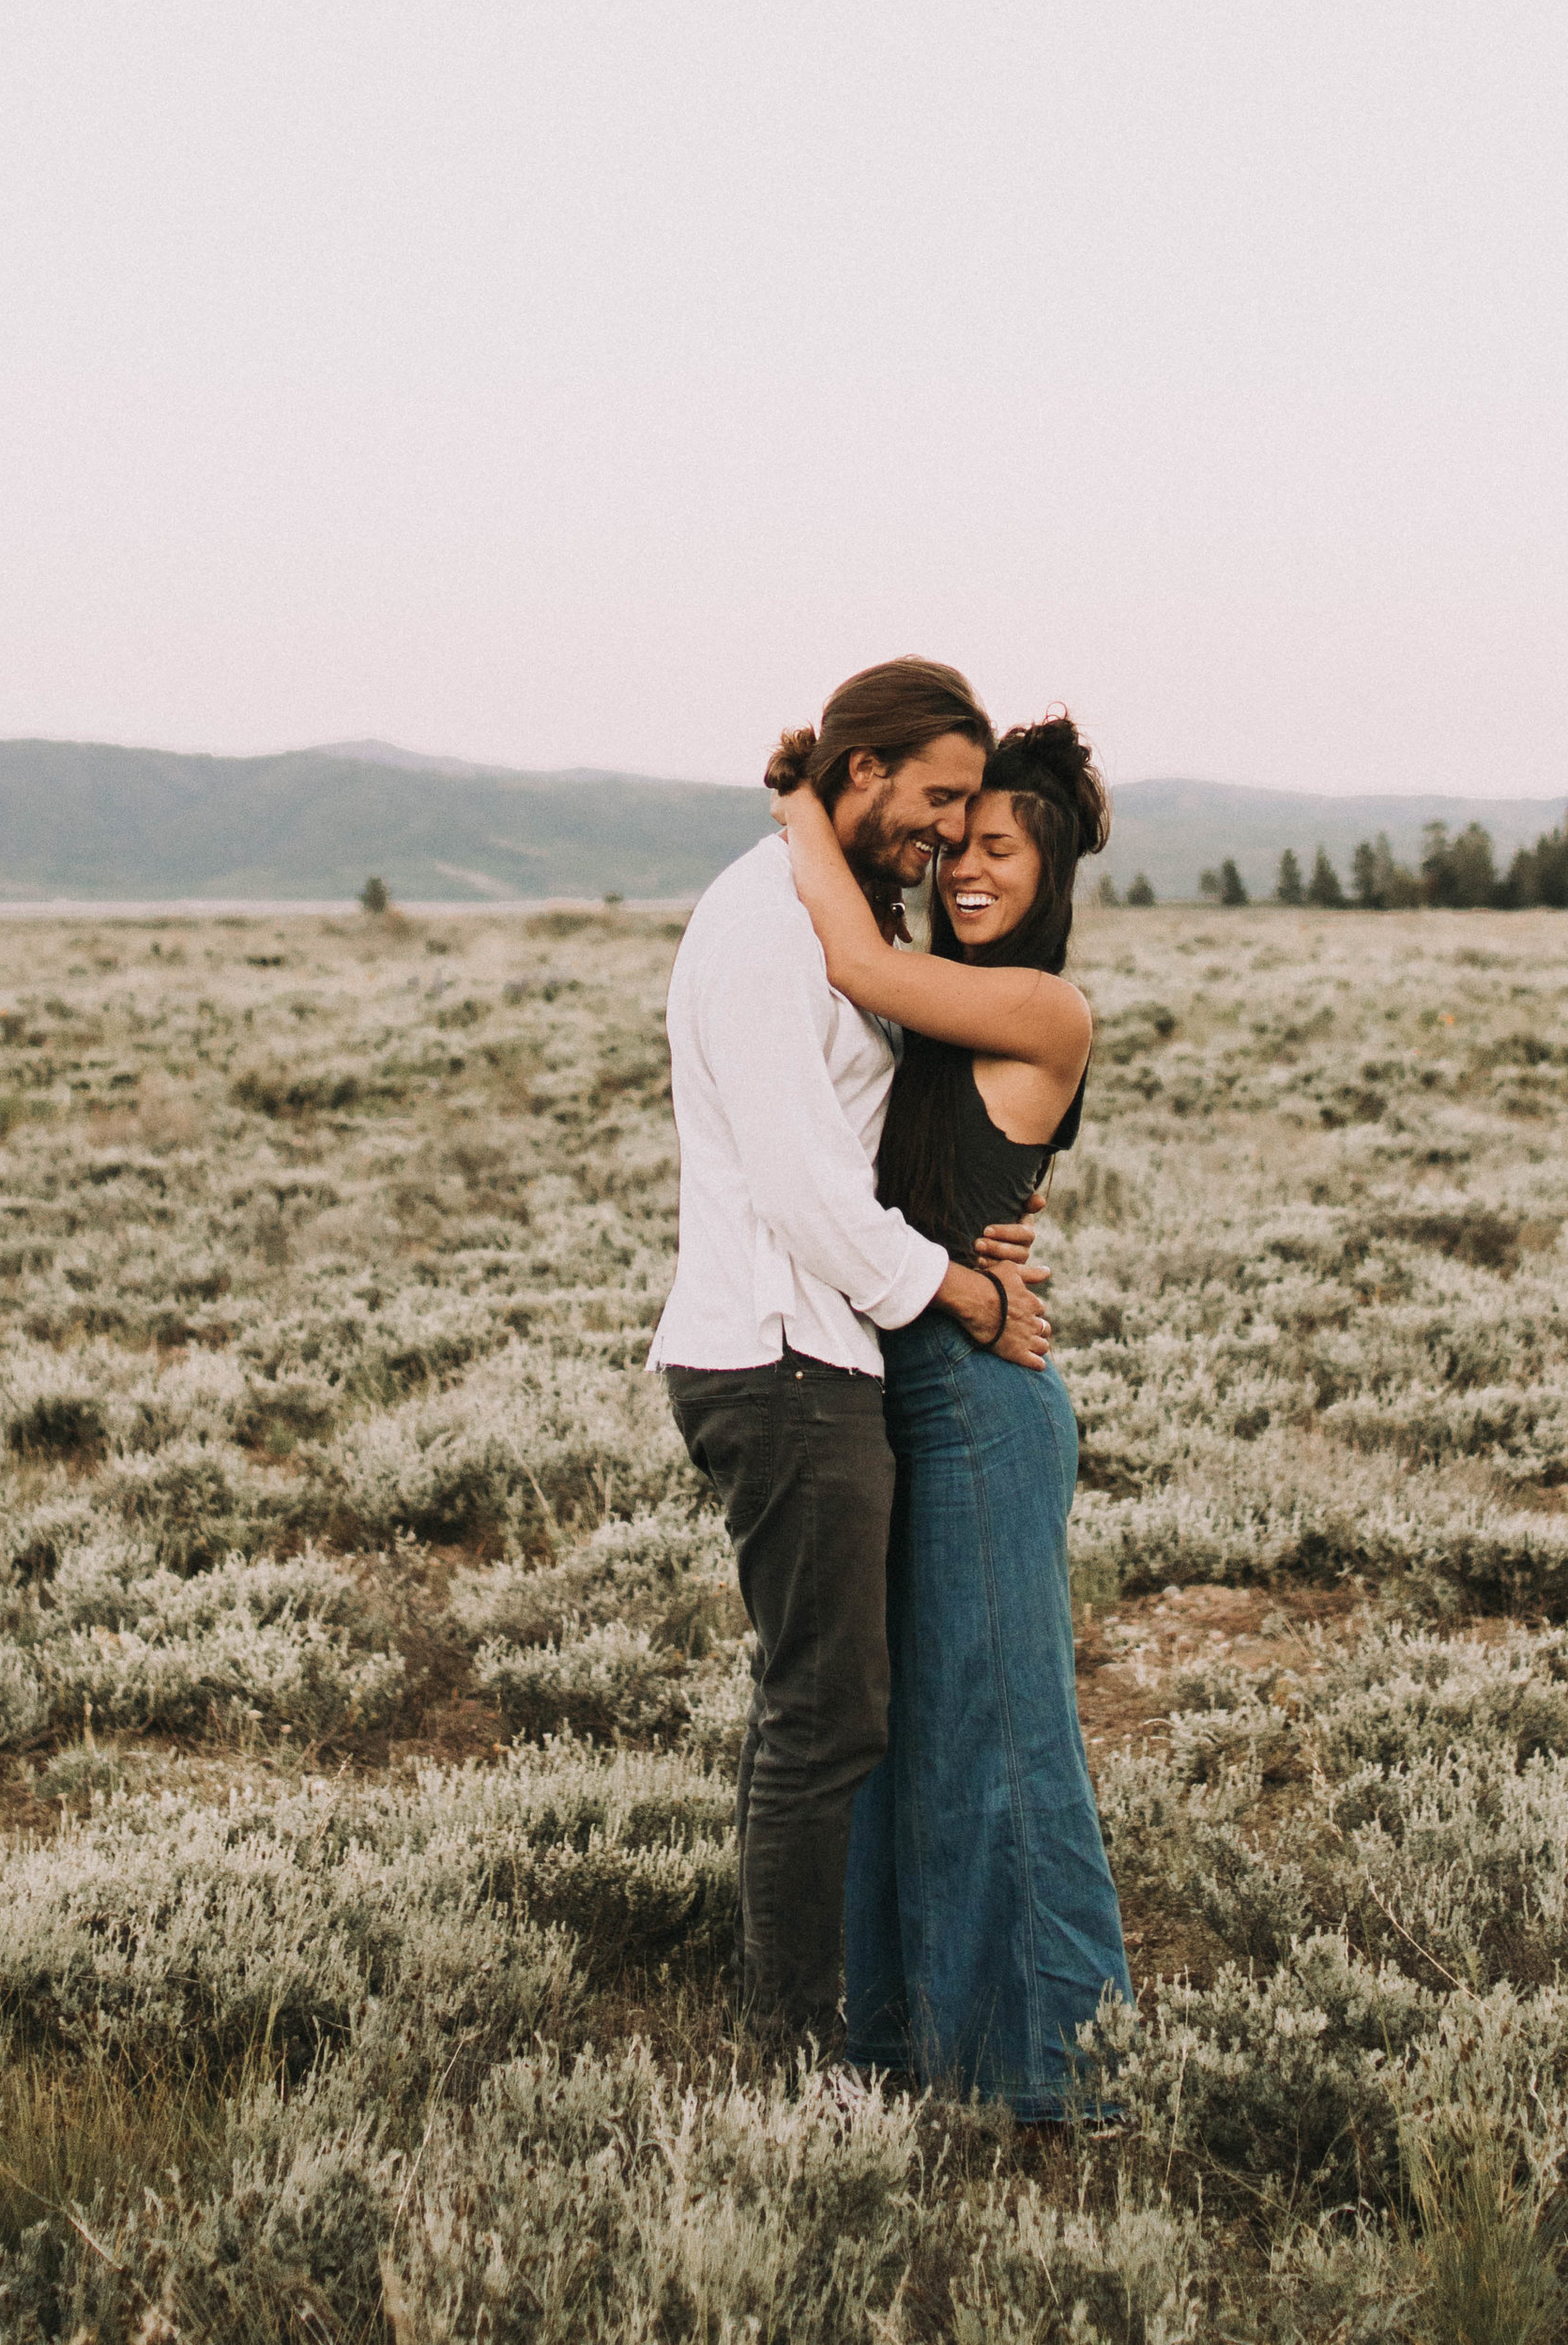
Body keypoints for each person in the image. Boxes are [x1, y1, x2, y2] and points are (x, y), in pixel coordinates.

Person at [647, 658, 1053, 2058]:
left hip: (819, 1351)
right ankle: (787, 2043)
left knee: (814, 1705)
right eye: (938, 798)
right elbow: (810, 1188)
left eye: (973, 814)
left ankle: (803, 2011)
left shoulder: (825, 901)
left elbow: (881, 1129)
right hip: (782, 1356)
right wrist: (966, 1294)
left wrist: (977, 1224)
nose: (947, 833)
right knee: (824, 1716)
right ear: (864, 767)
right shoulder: (767, 922)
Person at [775, 712, 1134, 2118]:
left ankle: (1056, 2076)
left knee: (1002, 1726)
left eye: (1000, 851)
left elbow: (856, 957)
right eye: (960, 843)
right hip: (893, 1382)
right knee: (890, 1728)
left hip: (982, 1404)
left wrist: (804, 795)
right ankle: (908, 2043)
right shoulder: (936, 991)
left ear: (1050, 877)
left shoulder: (1046, 1009)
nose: (970, 867)